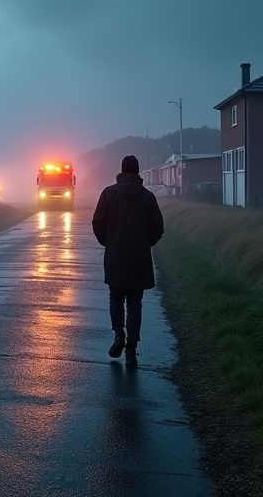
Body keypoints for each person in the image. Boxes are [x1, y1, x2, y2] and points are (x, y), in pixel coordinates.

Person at [91, 155, 164, 368]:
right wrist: (146, 243)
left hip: (116, 256)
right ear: (138, 171)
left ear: (122, 171)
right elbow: (158, 227)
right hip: (139, 259)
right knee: (135, 304)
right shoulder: (148, 197)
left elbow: (97, 223)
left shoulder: (108, 194)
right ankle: (132, 347)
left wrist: (108, 241)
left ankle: (118, 334)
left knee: (115, 298)